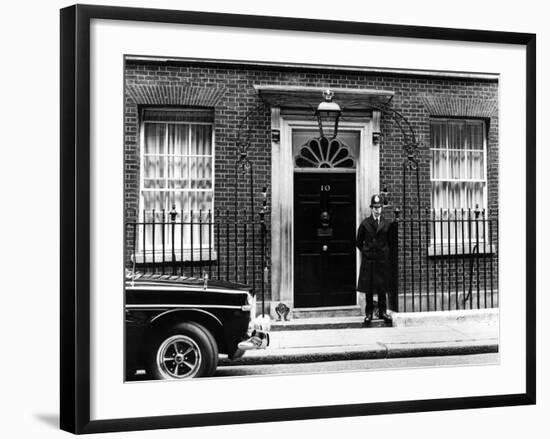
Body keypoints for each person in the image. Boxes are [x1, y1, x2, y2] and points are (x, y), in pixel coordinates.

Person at [356, 194, 393, 325]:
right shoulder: (365, 223)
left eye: (379, 207)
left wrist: (385, 252)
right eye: (375, 207)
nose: (377, 210)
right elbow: (358, 241)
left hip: (382, 261)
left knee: (382, 288)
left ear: (382, 208)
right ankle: (369, 314)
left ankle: (383, 312)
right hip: (369, 260)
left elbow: (390, 242)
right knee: (369, 289)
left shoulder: (386, 223)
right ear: (372, 208)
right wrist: (366, 252)